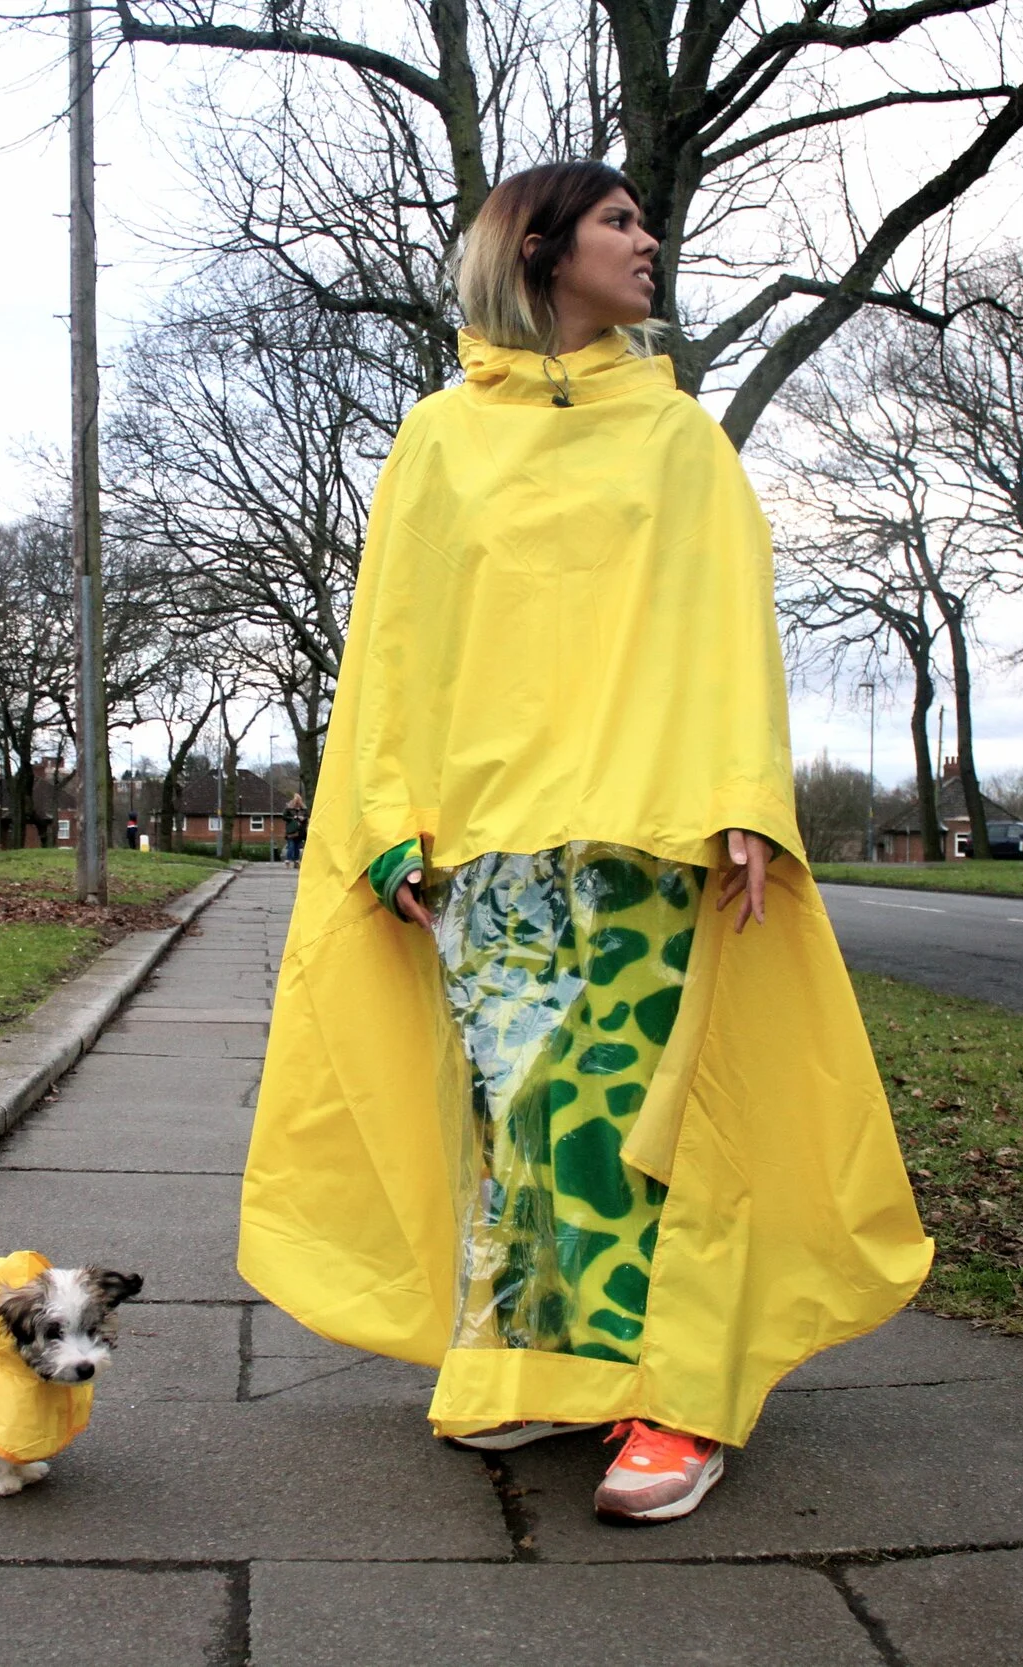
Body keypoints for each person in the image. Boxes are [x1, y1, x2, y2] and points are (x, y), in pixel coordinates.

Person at [240, 162, 930, 1525]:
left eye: (645, 220)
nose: (649, 240)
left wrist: (743, 796)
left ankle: (677, 1401)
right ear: (540, 246)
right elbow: (394, 639)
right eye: (620, 221)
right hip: (493, 847)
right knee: (530, 1126)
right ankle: (544, 1364)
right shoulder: (439, 440)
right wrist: (389, 824)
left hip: (647, 834)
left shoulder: (677, 439)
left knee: (653, 1125)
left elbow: (729, 620)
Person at [282, 795, 308, 867]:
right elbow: (284, 817)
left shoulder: (304, 809)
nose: (297, 803)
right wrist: (293, 817)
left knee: (297, 846)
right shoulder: (289, 809)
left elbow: (307, 816)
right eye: (296, 801)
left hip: (300, 831)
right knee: (291, 846)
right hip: (291, 831)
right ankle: (288, 860)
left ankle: (296, 861)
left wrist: (303, 818)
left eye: (299, 801)